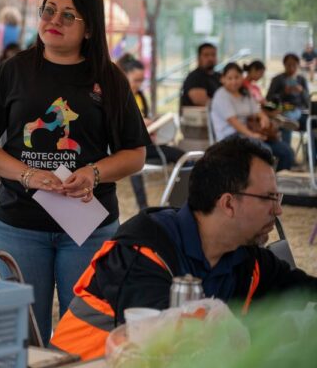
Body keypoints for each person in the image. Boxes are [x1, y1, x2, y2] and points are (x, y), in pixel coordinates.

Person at [0, 0, 149, 345]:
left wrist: (94, 173)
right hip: (19, 225)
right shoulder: (15, 70)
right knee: (24, 336)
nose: (54, 20)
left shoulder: (109, 79)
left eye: (68, 15)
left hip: (88, 228)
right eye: (48, 10)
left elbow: (135, 154)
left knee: (81, 336)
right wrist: (27, 174)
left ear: (91, 28)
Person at [51, 136, 317, 361]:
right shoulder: (142, 255)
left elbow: (304, 292)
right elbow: (171, 356)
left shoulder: (244, 259)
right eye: (269, 198)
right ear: (228, 204)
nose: (278, 209)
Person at [117, 54, 185, 210]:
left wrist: (152, 126)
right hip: (129, 145)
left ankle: (176, 200)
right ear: (124, 76)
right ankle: (143, 206)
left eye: (142, 81)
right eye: (136, 80)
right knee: (136, 161)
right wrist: (141, 125)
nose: (139, 85)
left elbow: (145, 119)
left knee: (182, 156)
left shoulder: (139, 96)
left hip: (146, 142)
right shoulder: (119, 97)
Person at [211, 63, 293, 171]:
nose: (234, 81)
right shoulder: (221, 95)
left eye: (237, 77)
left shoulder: (245, 93)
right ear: (223, 79)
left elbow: (257, 110)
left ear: (242, 77)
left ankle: (275, 183)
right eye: (230, 78)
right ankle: (259, 184)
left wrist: (263, 118)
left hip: (250, 134)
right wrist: (252, 135)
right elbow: (234, 122)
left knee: (287, 152)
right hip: (230, 137)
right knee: (265, 150)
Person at [266, 53, 310, 148]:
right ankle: (288, 151)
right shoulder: (277, 79)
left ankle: (310, 154)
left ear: (298, 65)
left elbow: (307, 102)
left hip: (297, 109)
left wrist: (301, 91)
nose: (291, 68)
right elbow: (268, 99)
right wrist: (283, 93)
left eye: (294, 65)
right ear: (284, 65)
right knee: (287, 120)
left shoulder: (301, 79)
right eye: (288, 65)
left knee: (288, 118)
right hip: (281, 108)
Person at [180, 43, 221, 108]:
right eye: (206, 55)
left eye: (213, 55)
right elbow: (201, 101)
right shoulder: (194, 77)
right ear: (199, 58)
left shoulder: (219, 76)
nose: (210, 58)